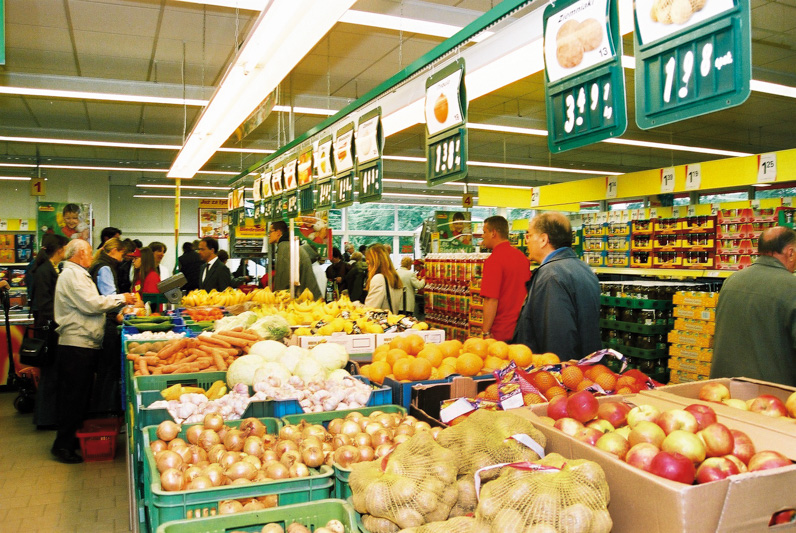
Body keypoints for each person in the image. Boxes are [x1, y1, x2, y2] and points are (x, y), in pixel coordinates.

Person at [52, 239, 135, 463]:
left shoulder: (78, 273)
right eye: (89, 253)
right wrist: (121, 298)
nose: (92, 257)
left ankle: (71, 441)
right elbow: (91, 304)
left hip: (84, 343)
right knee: (74, 397)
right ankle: (63, 446)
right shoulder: (72, 275)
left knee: (79, 395)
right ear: (79, 254)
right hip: (76, 345)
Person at [710, 227, 796, 385]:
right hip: (772, 393)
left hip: (723, 387)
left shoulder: (731, 281)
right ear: (790, 252)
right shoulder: (792, 287)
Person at [512, 212, 601, 359]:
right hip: (584, 367)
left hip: (558, 373)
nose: (526, 240)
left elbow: (557, 337)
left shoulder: (551, 276)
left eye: (528, 235)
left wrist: (556, 374)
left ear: (543, 239)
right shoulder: (583, 268)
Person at [88, 237, 134, 415]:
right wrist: (126, 303)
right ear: (114, 251)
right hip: (105, 322)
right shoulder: (105, 268)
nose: (123, 259)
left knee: (103, 369)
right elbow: (110, 296)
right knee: (108, 369)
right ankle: (105, 409)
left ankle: (101, 408)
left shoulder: (97, 264)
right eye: (122, 254)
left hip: (97, 321)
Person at [30, 234, 69, 429]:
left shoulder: (50, 268)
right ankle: (45, 419)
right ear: (60, 249)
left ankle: (49, 416)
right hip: (48, 330)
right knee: (49, 375)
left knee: (52, 374)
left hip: (50, 327)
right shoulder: (45, 271)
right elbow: (45, 304)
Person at [477, 216, 531, 342]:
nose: (482, 236)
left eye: (484, 232)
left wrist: (485, 332)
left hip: (501, 332)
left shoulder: (494, 261)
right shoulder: (522, 257)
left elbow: (491, 300)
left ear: (493, 233)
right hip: (523, 328)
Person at [269, 221, 322, 299]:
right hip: (310, 296)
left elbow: (283, 280)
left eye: (270, 232)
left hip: (304, 299)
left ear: (278, 232)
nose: (269, 235)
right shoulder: (290, 245)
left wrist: (278, 298)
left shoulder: (285, 248)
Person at [364, 244, 404, 314]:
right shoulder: (394, 277)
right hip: (390, 320)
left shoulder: (378, 278)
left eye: (369, 263)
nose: (368, 268)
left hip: (378, 323)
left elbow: (370, 310)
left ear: (375, 263)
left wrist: (355, 305)